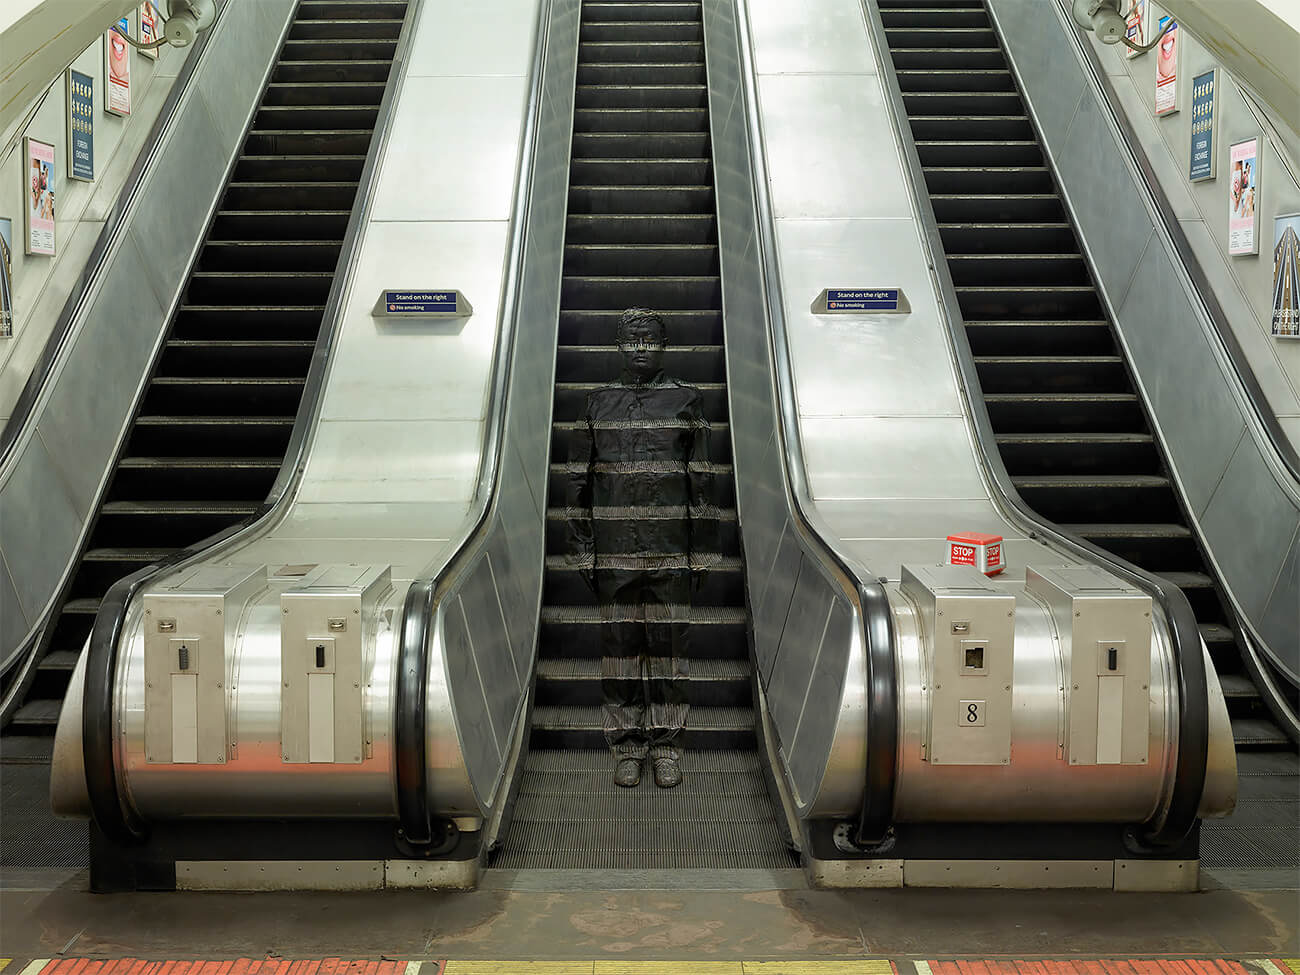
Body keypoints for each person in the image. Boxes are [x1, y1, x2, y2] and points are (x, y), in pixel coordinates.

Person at [566, 307, 719, 789]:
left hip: (671, 546)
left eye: (650, 341)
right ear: (617, 346)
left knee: (670, 651)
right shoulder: (596, 403)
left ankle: (668, 745)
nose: (641, 350)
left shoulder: (686, 400)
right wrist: (582, 548)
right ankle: (627, 745)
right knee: (619, 651)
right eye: (632, 342)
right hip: (614, 549)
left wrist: (704, 549)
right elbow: (577, 481)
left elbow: (703, 479)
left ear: (663, 345)